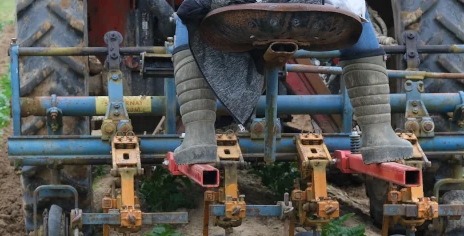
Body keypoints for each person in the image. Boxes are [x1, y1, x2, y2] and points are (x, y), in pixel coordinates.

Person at [171, 0, 413, 165]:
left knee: (187, 18)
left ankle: (198, 135)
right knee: (361, 21)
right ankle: (378, 134)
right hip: (317, 18)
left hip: (244, 15)